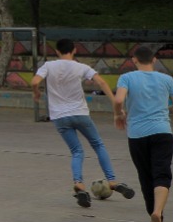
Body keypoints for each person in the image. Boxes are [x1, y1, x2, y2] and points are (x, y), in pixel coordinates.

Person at [31, 38, 130, 208]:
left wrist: (36, 93)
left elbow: (34, 82)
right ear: (74, 50)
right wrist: (116, 104)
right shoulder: (81, 67)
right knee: (98, 145)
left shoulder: (48, 66)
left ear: (57, 52)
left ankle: (79, 183)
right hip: (80, 114)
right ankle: (112, 180)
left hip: (60, 117)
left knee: (77, 151)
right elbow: (102, 82)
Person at [113, 45, 173, 222]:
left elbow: (119, 100)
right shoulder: (166, 79)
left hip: (137, 134)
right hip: (162, 132)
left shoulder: (127, 77)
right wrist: (162, 110)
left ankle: (153, 214)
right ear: (154, 60)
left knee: (145, 176)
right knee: (162, 173)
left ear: (134, 60)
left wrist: (118, 115)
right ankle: (158, 212)